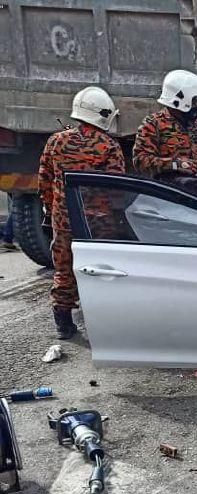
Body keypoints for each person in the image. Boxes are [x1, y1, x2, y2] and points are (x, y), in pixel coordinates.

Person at [38, 86, 126, 340]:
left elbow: (44, 181)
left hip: (64, 218)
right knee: (102, 271)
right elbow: (116, 187)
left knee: (65, 269)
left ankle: (63, 324)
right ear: (103, 114)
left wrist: (54, 208)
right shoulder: (109, 146)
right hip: (98, 222)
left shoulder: (56, 141)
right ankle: (103, 324)